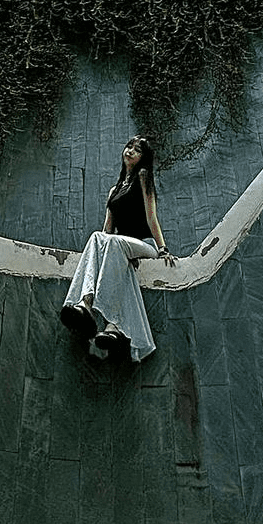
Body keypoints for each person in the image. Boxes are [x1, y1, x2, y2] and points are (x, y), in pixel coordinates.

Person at [60, 135, 177, 361]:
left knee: (113, 243)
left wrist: (162, 248)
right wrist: (102, 250)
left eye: (137, 150)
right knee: (98, 237)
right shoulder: (114, 190)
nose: (130, 151)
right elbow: (107, 230)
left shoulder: (143, 177)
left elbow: (151, 216)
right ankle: (97, 316)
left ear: (143, 158)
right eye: (129, 146)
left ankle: (93, 307)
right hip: (120, 248)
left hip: (145, 245)